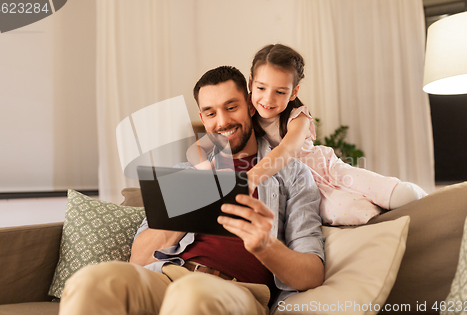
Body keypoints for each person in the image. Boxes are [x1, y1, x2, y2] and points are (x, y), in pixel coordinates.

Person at [59, 65, 325, 315]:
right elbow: (138, 257)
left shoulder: (292, 174)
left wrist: (266, 246)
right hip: (167, 276)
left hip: (237, 291)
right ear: (202, 118)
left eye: (231, 107)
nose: (222, 122)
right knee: (92, 281)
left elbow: (312, 273)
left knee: (192, 293)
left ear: (250, 107)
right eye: (210, 113)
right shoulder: (185, 171)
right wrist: (190, 204)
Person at [190, 44, 426, 226]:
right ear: (251, 83)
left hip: (327, 170)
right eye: (261, 88)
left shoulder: (297, 117)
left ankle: (425, 203)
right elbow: (195, 149)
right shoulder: (246, 119)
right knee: (351, 211)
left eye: (280, 92)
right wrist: (204, 170)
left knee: (395, 193)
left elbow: (286, 151)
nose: (268, 99)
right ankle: (391, 222)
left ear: (293, 92)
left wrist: (248, 180)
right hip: (305, 185)